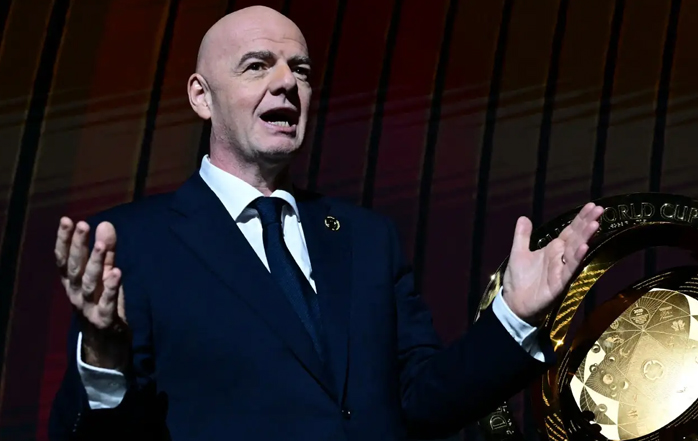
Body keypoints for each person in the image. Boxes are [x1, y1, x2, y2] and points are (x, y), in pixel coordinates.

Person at [48, 5, 603, 441]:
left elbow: (423, 402)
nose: (286, 82)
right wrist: (103, 358)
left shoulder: (367, 239)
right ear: (202, 97)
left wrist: (512, 318)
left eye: (301, 70)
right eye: (257, 65)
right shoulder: (132, 243)